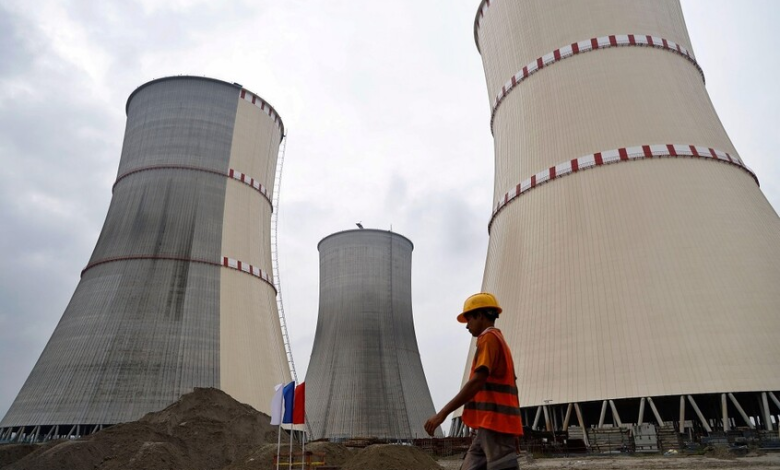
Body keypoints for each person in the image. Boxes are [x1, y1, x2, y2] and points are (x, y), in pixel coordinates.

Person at [424, 292, 523, 470]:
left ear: (481, 316)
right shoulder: (498, 341)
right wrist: (514, 429)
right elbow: (512, 387)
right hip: (488, 425)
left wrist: (442, 414)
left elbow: (477, 381)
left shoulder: (489, 339)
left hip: (495, 424)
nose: (467, 325)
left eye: (469, 319)